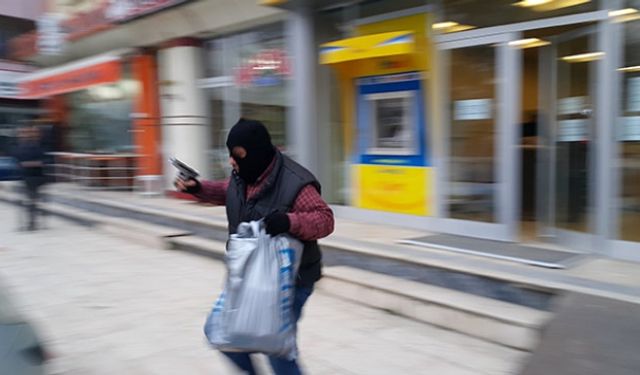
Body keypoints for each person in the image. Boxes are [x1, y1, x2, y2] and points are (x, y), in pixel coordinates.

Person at [175, 118, 334, 375]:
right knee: (221, 331)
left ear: (257, 152)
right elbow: (226, 191)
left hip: (290, 280)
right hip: (248, 273)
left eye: (237, 155)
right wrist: (199, 188)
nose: (231, 161)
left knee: (276, 349)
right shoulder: (243, 175)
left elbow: (324, 219)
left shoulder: (296, 182)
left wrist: (289, 221)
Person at [13, 126, 46, 231]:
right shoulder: (21, 147)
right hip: (26, 177)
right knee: (30, 200)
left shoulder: (37, 146)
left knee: (32, 200)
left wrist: (27, 164)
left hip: (35, 177)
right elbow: (17, 161)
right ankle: (32, 220)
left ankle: (32, 222)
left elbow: (43, 161)